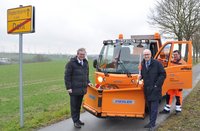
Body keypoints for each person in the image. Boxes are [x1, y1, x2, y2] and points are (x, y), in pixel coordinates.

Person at [64, 48, 92, 128]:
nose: (82, 56)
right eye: (80, 54)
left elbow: (86, 75)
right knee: (74, 106)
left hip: (82, 89)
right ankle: (75, 121)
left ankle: (78, 120)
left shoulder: (85, 63)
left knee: (78, 106)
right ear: (77, 54)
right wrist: (68, 87)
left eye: (83, 54)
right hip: (73, 89)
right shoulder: (71, 63)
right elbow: (67, 76)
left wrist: (88, 82)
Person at [141, 49, 166, 130]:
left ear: (151, 54)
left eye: (148, 54)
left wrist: (157, 85)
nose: (146, 56)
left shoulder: (157, 63)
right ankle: (151, 122)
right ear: (143, 55)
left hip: (155, 90)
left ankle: (152, 125)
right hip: (147, 90)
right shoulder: (143, 63)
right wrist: (141, 76)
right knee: (150, 108)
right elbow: (143, 73)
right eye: (145, 55)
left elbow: (163, 74)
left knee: (154, 109)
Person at [160, 50, 186, 115]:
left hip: (178, 83)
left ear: (179, 54)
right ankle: (167, 109)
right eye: (174, 55)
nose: (175, 56)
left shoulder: (183, 63)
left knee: (178, 97)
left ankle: (178, 110)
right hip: (171, 82)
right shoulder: (171, 61)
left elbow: (186, 75)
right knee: (168, 95)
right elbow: (165, 64)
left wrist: (182, 84)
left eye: (176, 54)